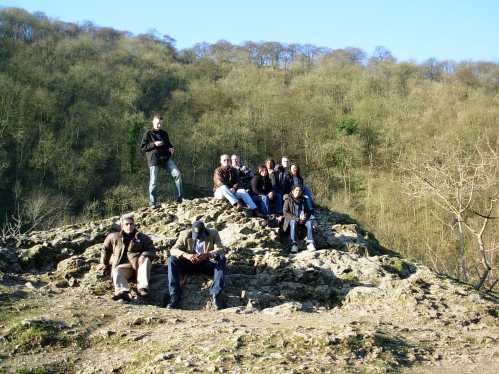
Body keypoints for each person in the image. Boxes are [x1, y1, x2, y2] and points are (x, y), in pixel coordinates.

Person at [167, 221, 227, 310]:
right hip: (189, 263)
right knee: (172, 259)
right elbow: (173, 250)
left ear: (204, 231)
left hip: (205, 263)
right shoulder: (184, 234)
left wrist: (208, 254)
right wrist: (186, 255)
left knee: (221, 258)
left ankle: (216, 295)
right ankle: (174, 296)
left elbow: (221, 249)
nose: (198, 238)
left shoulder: (213, 233)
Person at [98, 214, 155, 301]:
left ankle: (142, 288)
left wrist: (144, 255)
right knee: (116, 270)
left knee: (146, 260)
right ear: (122, 226)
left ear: (134, 224)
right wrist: (103, 263)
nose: (129, 226)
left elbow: (152, 250)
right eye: (126, 224)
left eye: (131, 224)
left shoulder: (142, 237)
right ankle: (123, 292)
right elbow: (105, 249)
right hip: (123, 266)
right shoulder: (113, 237)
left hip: (138, 266)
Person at [140, 114, 183, 207]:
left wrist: (171, 148)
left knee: (177, 174)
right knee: (153, 182)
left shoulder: (164, 133)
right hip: (154, 160)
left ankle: (180, 198)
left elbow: (169, 144)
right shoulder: (148, 133)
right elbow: (143, 148)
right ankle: (152, 203)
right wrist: (154, 144)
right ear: (153, 122)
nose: (159, 125)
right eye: (158, 123)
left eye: (161, 124)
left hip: (166, 159)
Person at [283, 185, 316, 253]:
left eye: (299, 190)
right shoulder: (288, 199)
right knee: (293, 222)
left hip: (302, 219)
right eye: (296, 190)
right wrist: (297, 218)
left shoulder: (304, 199)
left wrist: (305, 216)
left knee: (309, 222)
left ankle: (310, 243)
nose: (298, 192)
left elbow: (308, 211)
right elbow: (285, 212)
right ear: (292, 191)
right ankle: (294, 244)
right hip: (292, 219)